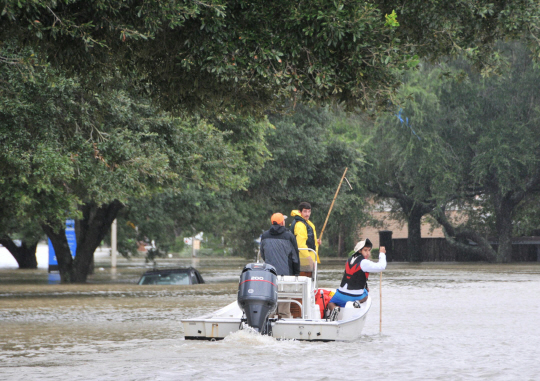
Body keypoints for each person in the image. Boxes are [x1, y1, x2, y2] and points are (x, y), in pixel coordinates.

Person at [327, 238, 386, 320]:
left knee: (330, 303)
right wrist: (382, 254)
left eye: (369, 250)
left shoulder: (349, 260)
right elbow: (381, 267)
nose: (368, 253)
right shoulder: (364, 262)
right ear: (359, 251)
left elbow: (356, 276)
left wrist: (365, 285)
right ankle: (357, 302)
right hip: (355, 296)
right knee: (366, 293)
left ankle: (334, 309)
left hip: (341, 294)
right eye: (365, 250)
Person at [260, 212, 300, 319]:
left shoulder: (264, 236)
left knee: (271, 305)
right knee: (284, 307)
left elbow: (263, 255)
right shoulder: (289, 236)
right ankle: (285, 321)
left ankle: (269, 321)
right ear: (282, 222)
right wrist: (296, 273)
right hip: (286, 276)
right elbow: (295, 257)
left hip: (270, 276)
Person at [290, 202, 320, 276]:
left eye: (309, 211)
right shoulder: (300, 225)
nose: (307, 214)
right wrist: (309, 259)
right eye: (305, 211)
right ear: (300, 212)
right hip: (304, 261)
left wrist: (315, 241)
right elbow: (301, 245)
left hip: (306, 260)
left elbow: (307, 239)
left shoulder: (306, 223)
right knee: (305, 282)